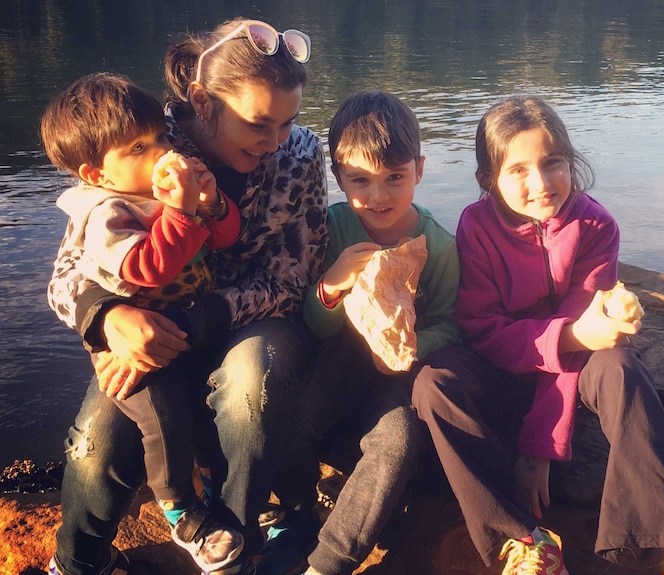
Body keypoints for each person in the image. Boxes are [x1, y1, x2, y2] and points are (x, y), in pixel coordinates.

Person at [411, 96, 664, 575]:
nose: (541, 184)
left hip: (575, 377)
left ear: (571, 162)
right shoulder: (476, 226)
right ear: (488, 180)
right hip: (504, 369)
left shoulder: (594, 225)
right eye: (518, 170)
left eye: (553, 164)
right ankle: (524, 539)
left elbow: (587, 339)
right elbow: (484, 333)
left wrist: (540, 445)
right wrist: (570, 336)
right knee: (432, 384)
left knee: (621, 364)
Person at [45, 18, 327, 575]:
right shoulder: (141, 141)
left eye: (288, 121)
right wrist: (105, 318)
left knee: (251, 383)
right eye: (259, 123)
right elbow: (69, 269)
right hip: (150, 324)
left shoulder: (300, 155)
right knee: (100, 436)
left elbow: (292, 279)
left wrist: (200, 320)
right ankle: (80, 564)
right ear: (201, 98)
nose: (275, 141)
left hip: (250, 321)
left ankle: (234, 550)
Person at [41, 71, 245, 572]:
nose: (158, 151)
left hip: (183, 330)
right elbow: (147, 268)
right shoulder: (106, 213)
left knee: (207, 411)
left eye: (159, 137)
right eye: (138, 147)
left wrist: (212, 203)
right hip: (130, 347)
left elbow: (222, 239)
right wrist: (180, 210)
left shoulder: (158, 192)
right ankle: (178, 506)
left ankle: (225, 497)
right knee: (164, 415)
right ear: (97, 174)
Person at [256, 91, 461, 575]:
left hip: (401, 372)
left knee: (395, 442)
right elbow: (314, 323)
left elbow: (453, 326)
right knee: (299, 415)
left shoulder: (438, 245)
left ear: (420, 169)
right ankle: (300, 512)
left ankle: (328, 563)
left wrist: (410, 350)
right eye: (360, 180)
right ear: (338, 176)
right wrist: (332, 285)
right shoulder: (334, 227)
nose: (379, 196)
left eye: (395, 178)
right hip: (342, 354)